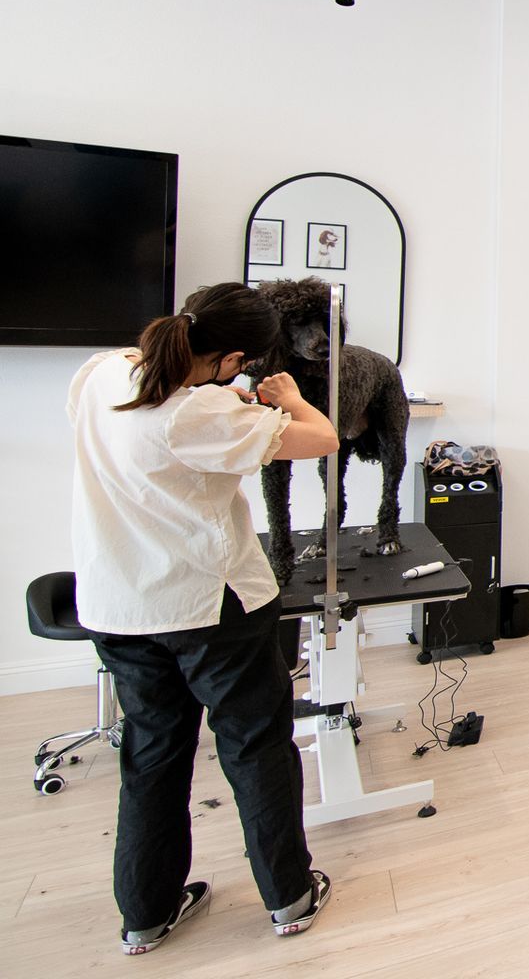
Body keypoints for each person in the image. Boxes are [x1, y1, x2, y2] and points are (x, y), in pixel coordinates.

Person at [66, 282, 340, 955]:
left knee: (151, 756)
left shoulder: (101, 373)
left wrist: (232, 401)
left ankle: (145, 915)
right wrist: (288, 399)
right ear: (234, 357)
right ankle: (289, 898)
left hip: (121, 605)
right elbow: (324, 438)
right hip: (207, 608)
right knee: (255, 747)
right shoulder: (202, 412)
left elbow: (158, 433)